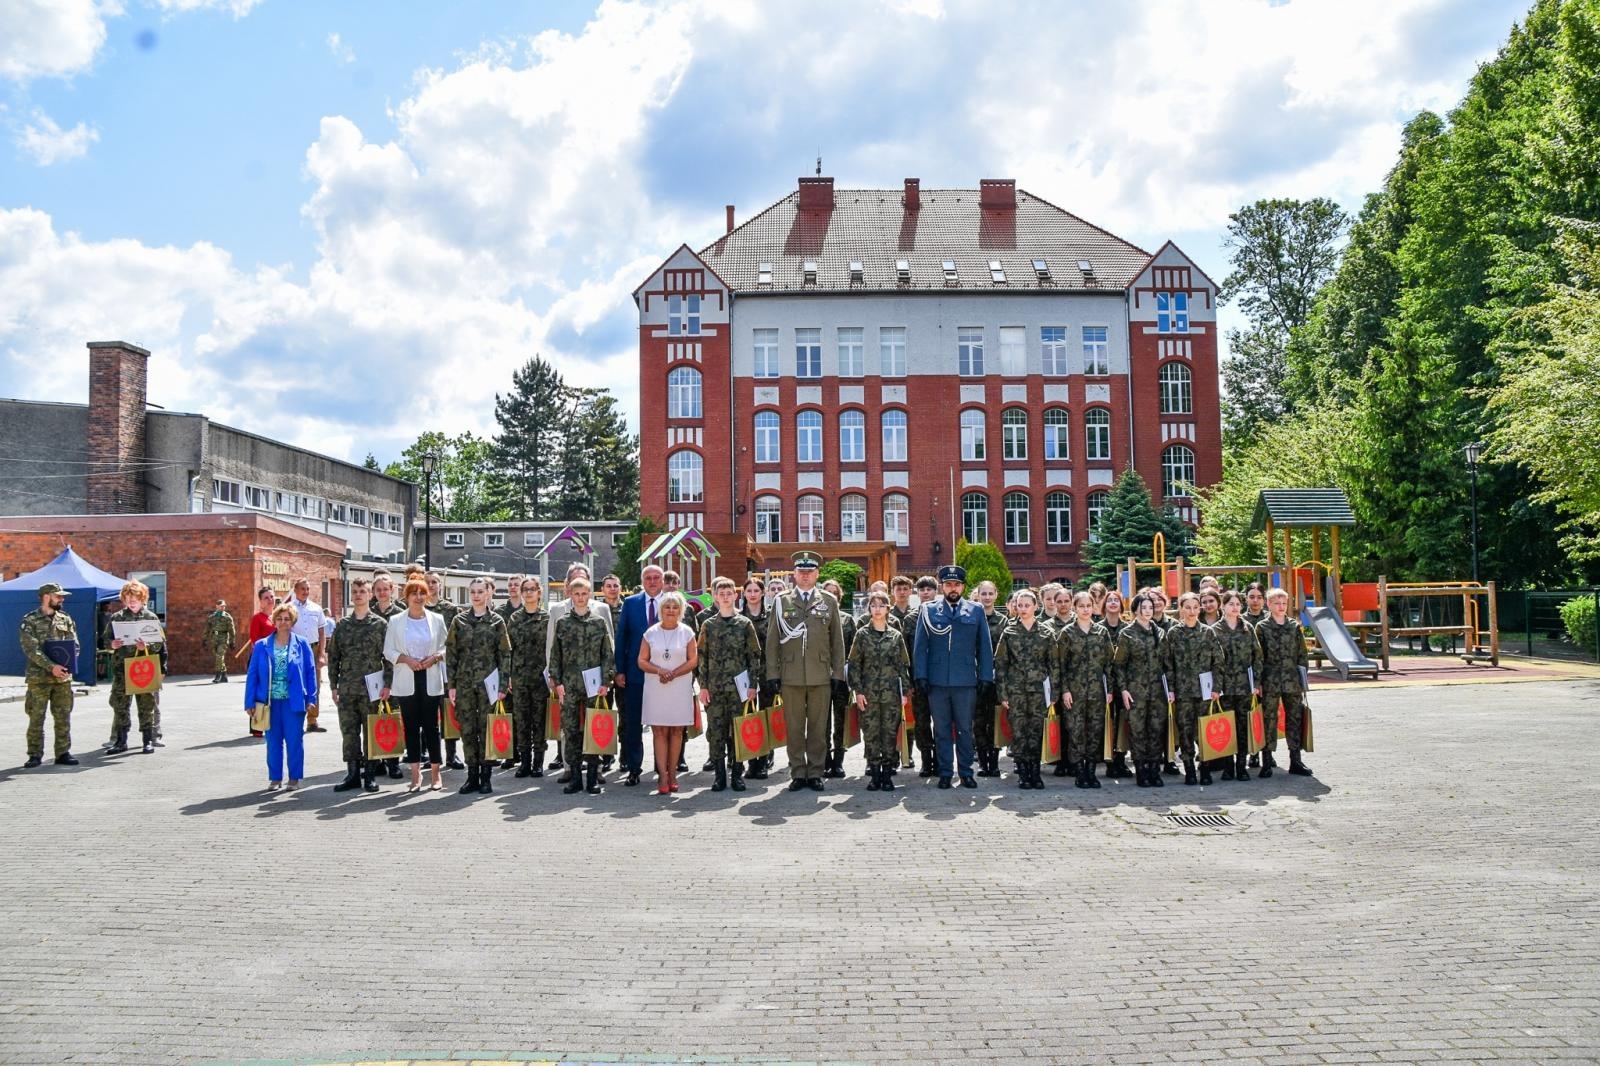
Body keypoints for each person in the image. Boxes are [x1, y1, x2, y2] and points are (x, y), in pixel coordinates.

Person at [766, 551, 847, 792]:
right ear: (794, 574)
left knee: (818, 727)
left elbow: (837, 642)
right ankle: (798, 772)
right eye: (801, 572)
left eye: (809, 572)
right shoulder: (782, 601)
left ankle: (815, 772)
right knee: (793, 726)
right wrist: (772, 674)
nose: (805, 576)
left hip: (820, 674)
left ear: (817, 574)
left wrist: (838, 675)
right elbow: (772, 641)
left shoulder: (828, 601)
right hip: (790, 675)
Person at [912, 564, 994, 789]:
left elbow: (984, 646)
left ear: (963, 586)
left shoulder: (975, 610)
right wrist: (920, 676)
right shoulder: (928, 610)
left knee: (965, 729)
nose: (953, 588)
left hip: (966, 681)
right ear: (942, 587)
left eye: (957, 584)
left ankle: (966, 772)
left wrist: (986, 676)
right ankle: (946, 772)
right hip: (937, 681)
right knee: (941, 728)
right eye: (948, 584)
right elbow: (920, 647)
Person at [546, 562, 614, 775]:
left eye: (585, 592)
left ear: (589, 593)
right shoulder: (562, 620)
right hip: (570, 683)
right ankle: (573, 773)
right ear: (570, 592)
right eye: (577, 593)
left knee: (594, 726)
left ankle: (594, 774)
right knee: (571, 729)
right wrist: (555, 680)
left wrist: (607, 679)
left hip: (594, 683)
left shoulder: (599, 619)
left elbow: (608, 651)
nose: (581, 597)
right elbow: (554, 652)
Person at [697, 577, 763, 792]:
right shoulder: (708, 625)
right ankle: (719, 776)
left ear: (736, 596)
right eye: (721, 594)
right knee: (716, 733)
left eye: (729, 594)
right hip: (715, 688)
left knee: (737, 731)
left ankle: (737, 773)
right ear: (715, 597)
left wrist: (753, 685)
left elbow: (754, 656)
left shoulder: (744, 624)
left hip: (739, 689)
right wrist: (703, 686)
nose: (725, 597)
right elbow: (702, 657)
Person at [446, 577, 511, 796]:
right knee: (467, 729)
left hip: (488, 685)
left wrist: (503, 685)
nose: (476, 595)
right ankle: (471, 775)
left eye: (480, 591)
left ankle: (486, 777)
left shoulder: (497, 621)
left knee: (486, 730)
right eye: (472, 592)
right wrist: (452, 685)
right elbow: (452, 655)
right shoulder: (459, 621)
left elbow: (504, 655)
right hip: (464, 684)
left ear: (488, 593)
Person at [244, 603, 318, 791]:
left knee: (294, 740)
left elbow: (310, 672)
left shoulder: (301, 643)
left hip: (293, 701)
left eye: (287, 619)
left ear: (292, 621)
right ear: (274, 621)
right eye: (280, 618)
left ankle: (294, 778)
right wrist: (249, 701)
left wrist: (311, 698)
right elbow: (252, 675)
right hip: (269, 702)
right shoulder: (261, 645)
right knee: (273, 741)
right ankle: (275, 778)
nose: (283, 622)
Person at [383, 577, 449, 792]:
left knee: (431, 728)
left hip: (430, 678)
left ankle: (436, 775)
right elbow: (388, 650)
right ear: (407, 597)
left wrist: (436, 657)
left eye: (422, 593)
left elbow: (447, 648)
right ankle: (415, 775)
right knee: (411, 728)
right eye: (414, 594)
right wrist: (406, 659)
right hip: (406, 678)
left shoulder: (437, 619)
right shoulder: (396, 621)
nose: (419, 598)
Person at [328, 578, 391, 793]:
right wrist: (333, 686)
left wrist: (388, 684)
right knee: (349, 733)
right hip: (347, 688)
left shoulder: (380, 625)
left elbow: (389, 657)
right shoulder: (343, 625)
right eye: (355, 591)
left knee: (371, 732)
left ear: (369, 594)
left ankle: (370, 775)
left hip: (372, 690)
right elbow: (333, 657)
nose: (358, 595)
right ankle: (353, 774)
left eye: (362, 591)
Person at [848, 589, 910, 792]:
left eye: (881, 605)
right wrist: (857, 691)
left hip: (891, 694)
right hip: (869, 694)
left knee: (890, 734)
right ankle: (874, 775)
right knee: (871, 734)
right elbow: (854, 664)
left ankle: (887, 774)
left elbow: (903, 666)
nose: (877, 609)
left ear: (888, 609)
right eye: (873, 606)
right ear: (869, 609)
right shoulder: (862, 634)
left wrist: (904, 692)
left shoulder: (896, 635)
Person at [1160, 591, 1225, 786]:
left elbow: (1218, 661)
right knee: (1186, 731)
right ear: (1181, 609)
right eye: (1187, 607)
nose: (1192, 611)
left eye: (1195, 607)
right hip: (1182, 691)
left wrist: (1217, 687)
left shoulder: (1208, 632)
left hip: (1204, 691)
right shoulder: (1173, 633)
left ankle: (1204, 768)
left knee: (1203, 731)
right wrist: (1170, 689)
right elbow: (1167, 663)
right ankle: (1188, 768)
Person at [994, 588, 1054, 789]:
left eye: (1027, 605)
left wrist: (1053, 692)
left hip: (1039, 691)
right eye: (1019, 605)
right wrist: (1002, 692)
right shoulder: (1009, 632)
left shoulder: (1046, 632)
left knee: (1036, 732)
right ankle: (1023, 772)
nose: (1023, 609)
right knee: (1019, 732)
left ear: (1036, 606)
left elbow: (1054, 664)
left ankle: (1035, 772)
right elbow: (1001, 664)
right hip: (1016, 690)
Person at [640, 590, 698, 795]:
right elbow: (642, 660)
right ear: (660, 609)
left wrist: (673, 673)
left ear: (681, 610)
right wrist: (659, 671)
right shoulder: (651, 633)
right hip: (656, 688)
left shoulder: (687, 632)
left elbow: (693, 660)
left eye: (675, 607)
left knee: (676, 731)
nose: (671, 610)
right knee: (659, 732)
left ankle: (673, 774)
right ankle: (662, 776)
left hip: (679, 687)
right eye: (667, 607)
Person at [614, 564, 665, 787]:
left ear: (663, 580)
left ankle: (663, 767)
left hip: (666, 675)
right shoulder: (631, 603)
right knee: (633, 723)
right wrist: (620, 670)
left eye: (656, 577)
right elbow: (622, 638)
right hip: (635, 674)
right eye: (648, 578)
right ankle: (634, 768)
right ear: (642, 581)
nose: (652, 581)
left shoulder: (673, 602)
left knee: (663, 724)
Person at [1057, 590, 1114, 789]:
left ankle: (1091, 770)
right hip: (1074, 692)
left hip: (1097, 692)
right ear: (1075, 608)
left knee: (1095, 731)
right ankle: (1079, 772)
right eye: (1081, 606)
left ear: (1094, 607)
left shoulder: (1101, 632)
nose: (1085, 609)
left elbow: (1109, 664)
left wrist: (1110, 690)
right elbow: (1061, 665)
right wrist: (1064, 690)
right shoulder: (1067, 633)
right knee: (1075, 732)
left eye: (1088, 606)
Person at [19, 582, 79, 768]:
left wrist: (68, 664)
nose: (62, 599)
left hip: (62, 679)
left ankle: (63, 753)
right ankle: (35, 754)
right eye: (58, 596)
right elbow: (31, 649)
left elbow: (74, 645)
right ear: (46, 597)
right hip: (39, 679)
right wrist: (51, 666)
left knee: (63, 717)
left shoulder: (65, 619)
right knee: (36, 717)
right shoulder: (30, 620)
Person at [103, 579, 166, 756]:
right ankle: (121, 741)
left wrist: (145, 647)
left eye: (135, 598)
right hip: (122, 669)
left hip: (143, 669)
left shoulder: (150, 618)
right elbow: (106, 640)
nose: (132, 601)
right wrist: (112, 644)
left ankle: (147, 741)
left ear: (142, 598)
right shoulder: (116, 618)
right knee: (121, 706)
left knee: (146, 705)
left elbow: (159, 645)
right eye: (128, 597)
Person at [1257, 587, 1312, 777]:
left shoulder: (1294, 626)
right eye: (1276, 603)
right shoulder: (1262, 627)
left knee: (1294, 718)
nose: (1281, 607)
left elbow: (1302, 655)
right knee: (1268, 719)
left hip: (1292, 680)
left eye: (1284, 603)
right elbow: (1258, 657)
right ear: (1268, 604)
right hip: (1270, 680)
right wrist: (1259, 682)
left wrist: (1303, 679)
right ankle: (1266, 761)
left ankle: (1295, 760)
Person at [1115, 593, 1167, 788]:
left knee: (1156, 730)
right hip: (1136, 691)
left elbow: (1166, 663)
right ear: (1135, 609)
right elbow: (1119, 665)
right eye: (1143, 607)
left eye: (1150, 608)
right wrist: (1124, 689)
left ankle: (1154, 769)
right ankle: (1141, 770)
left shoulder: (1160, 633)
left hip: (1158, 691)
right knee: (1138, 732)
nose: (1148, 611)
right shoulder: (1127, 634)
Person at [1210, 590, 1261, 784]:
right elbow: (1212, 661)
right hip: (1223, 688)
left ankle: (1241, 765)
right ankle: (1228, 766)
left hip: (1243, 687)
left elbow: (1258, 657)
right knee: (1226, 727)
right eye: (1231, 604)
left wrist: (1255, 682)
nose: (1235, 607)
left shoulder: (1248, 628)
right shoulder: (1215, 630)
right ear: (1223, 606)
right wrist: (1214, 686)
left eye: (1238, 604)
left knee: (1242, 726)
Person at [506, 576, 551, 778]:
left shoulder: (547, 619)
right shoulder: (515, 619)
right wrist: (507, 676)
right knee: (522, 720)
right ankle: (524, 762)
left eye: (533, 589)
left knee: (539, 721)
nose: (529, 593)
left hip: (540, 679)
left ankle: (538, 762)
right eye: (526, 590)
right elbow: (508, 650)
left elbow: (552, 650)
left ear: (539, 592)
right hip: (519, 678)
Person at [820, 577, 856, 780]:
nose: (832, 595)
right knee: (822, 722)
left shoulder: (847, 620)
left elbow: (853, 650)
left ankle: (839, 761)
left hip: (841, 678)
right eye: (828, 592)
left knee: (841, 721)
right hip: (821, 677)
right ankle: (825, 761)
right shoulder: (817, 618)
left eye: (835, 593)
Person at [738, 576, 773, 781]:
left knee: (765, 717)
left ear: (763, 593)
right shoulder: (738, 617)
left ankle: (763, 761)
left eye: (756, 591)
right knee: (748, 718)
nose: (752, 594)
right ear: (744, 594)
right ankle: (749, 760)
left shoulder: (771, 617)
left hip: (767, 674)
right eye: (749, 591)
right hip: (743, 676)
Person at [971, 579, 1006, 778]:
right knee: (978, 722)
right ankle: (983, 763)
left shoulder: (1003, 621)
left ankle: (994, 762)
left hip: (996, 680)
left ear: (996, 595)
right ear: (978, 595)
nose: (986, 597)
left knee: (994, 721)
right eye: (983, 594)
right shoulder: (972, 618)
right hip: (975, 678)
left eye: (990, 593)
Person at [285, 579, 329, 734]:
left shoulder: (316, 608)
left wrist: (322, 654)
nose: (305, 591)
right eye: (302, 589)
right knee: (296, 684)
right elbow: (284, 631)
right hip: (295, 649)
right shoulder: (289, 608)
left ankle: (312, 720)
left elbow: (322, 633)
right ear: (295, 590)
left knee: (314, 685)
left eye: (307, 589)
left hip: (314, 649)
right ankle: (295, 720)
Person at [1099, 591, 1132, 778]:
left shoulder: (1127, 629)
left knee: (1123, 723)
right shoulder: (1098, 629)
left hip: (1124, 684)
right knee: (1108, 723)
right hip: (1104, 684)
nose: (1113, 603)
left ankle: (1121, 759)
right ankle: (1109, 761)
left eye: (1116, 600)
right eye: (1109, 600)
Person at [242, 587, 277, 737]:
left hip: (274, 660)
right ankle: (256, 726)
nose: (270, 600)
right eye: (266, 598)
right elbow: (255, 641)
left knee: (270, 692)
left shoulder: (275, 618)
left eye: (272, 597)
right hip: (260, 660)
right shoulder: (258, 618)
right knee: (258, 692)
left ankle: (268, 722)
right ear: (260, 602)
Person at [205, 599, 236, 684]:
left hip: (223, 638)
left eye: (224, 606)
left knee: (219, 656)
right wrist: (204, 639)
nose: (223, 607)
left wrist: (232, 641)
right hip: (214, 638)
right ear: (217, 606)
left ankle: (218, 675)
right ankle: (224, 675)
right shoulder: (212, 617)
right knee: (218, 657)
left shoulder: (227, 617)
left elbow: (232, 630)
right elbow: (207, 629)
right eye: (221, 606)